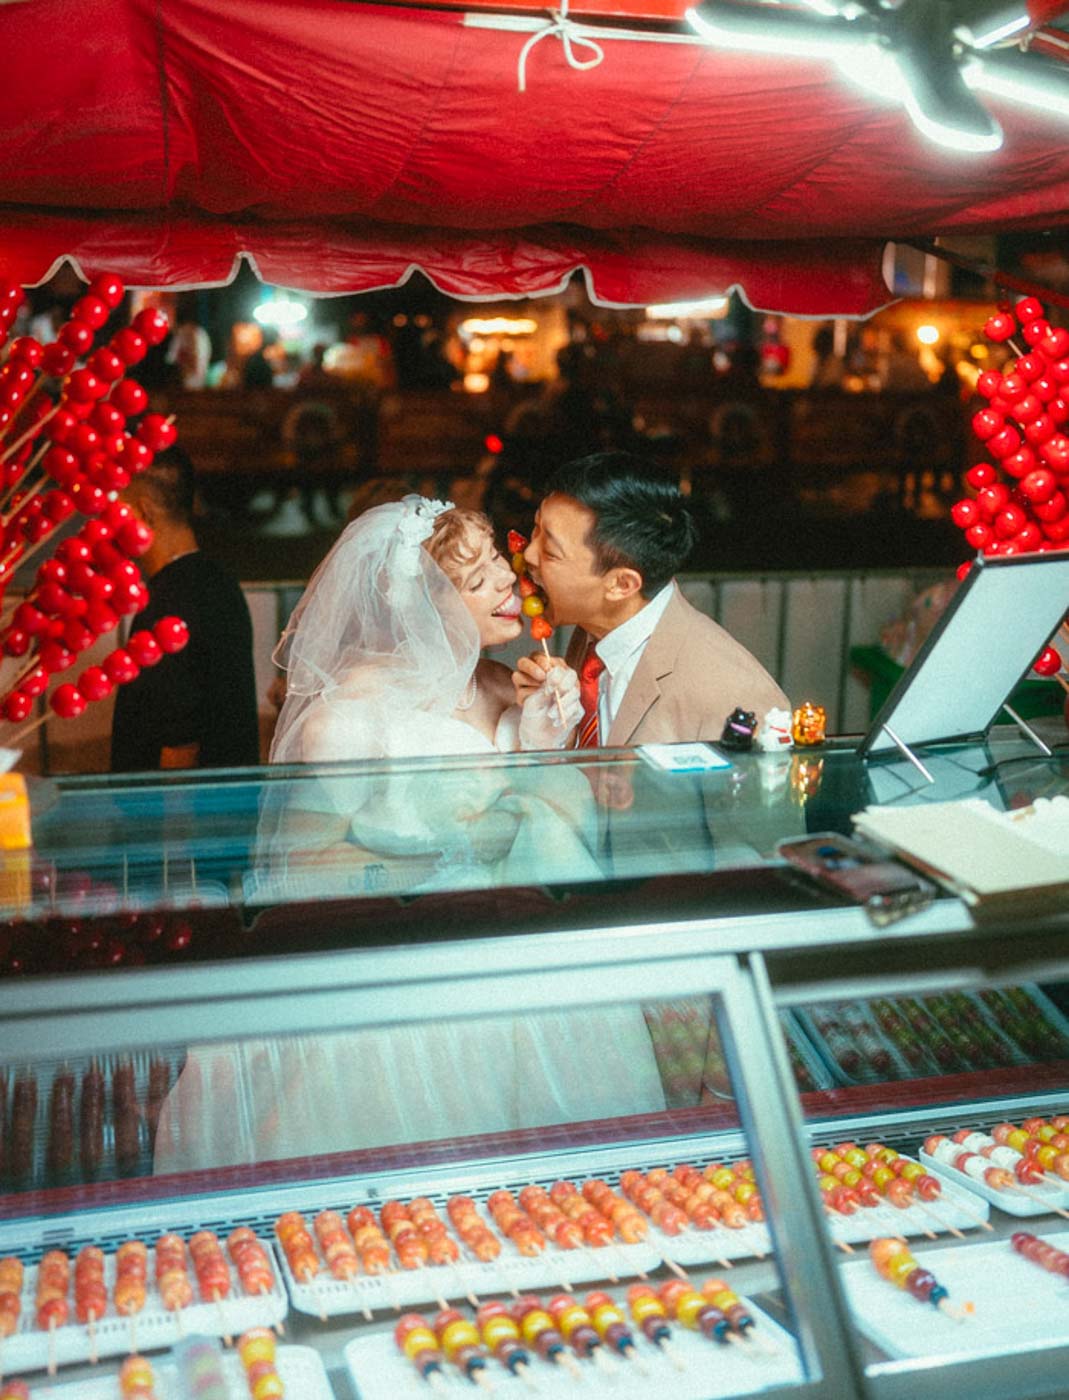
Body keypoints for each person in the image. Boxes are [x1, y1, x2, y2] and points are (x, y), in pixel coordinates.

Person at [515, 451, 789, 748]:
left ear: (621, 584)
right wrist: (553, 734)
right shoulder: (595, 626)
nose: (528, 554)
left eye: (550, 552)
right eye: (536, 528)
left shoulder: (730, 697)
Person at [110, 447, 260, 772]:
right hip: (232, 790)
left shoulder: (167, 602)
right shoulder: (221, 582)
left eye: (117, 510)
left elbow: (180, 743)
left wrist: (168, 808)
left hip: (183, 799)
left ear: (144, 512)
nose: (109, 525)